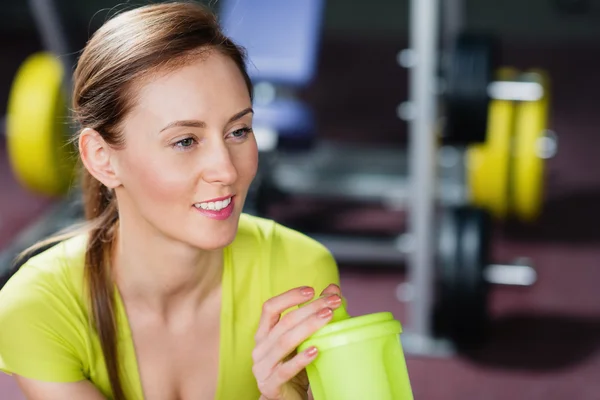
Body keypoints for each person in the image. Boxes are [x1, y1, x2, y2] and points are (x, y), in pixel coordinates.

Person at [0, 2, 342, 399]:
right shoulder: (38, 307)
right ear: (101, 158)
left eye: (238, 131)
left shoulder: (298, 272)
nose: (226, 171)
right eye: (185, 141)